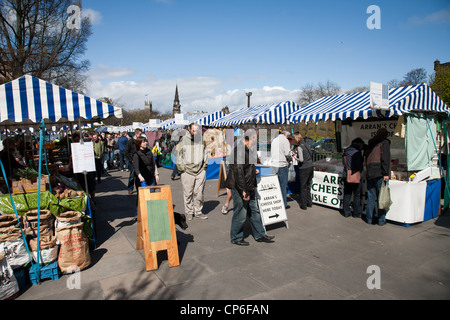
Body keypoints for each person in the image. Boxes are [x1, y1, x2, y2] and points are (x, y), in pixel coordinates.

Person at [226, 129, 275, 246]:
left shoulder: (247, 149)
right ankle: (236, 237)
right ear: (251, 138)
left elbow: (245, 167)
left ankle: (260, 234)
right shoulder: (240, 150)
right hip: (240, 187)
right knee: (241, 213)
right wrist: (243, 191)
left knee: (254, 210)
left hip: (249, 185)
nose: (256, 141)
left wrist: (253, 171)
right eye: (255, 138)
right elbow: (238, 172)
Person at [176, 123, 208, 221]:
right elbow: (179, 155)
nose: (195, 132)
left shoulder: (201, 139)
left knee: (199, 193)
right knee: (188, 193)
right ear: (189, 129)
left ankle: (198, 211)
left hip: (200, 171)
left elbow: (205, 153)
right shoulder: (184, 140)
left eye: (197, 130)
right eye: (193, 130)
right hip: (187, 171)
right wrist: (182, 169)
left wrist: (204, 167)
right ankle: (189, 212)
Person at [365, 128, 391, 226]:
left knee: (371, 197)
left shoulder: (371, 143)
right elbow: (385, 158)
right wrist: (386, 173)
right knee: (382, 197)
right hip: (379, 172)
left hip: (370, 172)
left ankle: (369, 218)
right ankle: (381, 220)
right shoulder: (384, 143)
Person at [342, 138, 365, 218]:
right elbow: (358, 166)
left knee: (347, 194)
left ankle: (346, 212)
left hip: (346, 175)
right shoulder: (357, 153)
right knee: (357, 195)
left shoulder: (345, 152)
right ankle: (356, 213)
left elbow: (344, 164)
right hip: (355, 176)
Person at [271, 130, 292, 209]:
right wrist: (291, 158)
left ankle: (275, 202)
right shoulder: (285, 140)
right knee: (283, 186)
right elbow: (287, 153)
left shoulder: (274, 140)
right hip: (282, 165)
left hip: (274, 164)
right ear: (286, 135)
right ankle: (284, 204)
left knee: (275, 186)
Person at [293, 132, 314, 210]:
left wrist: (295, 157)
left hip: (304, 168)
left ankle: (304, 205)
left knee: (303, 186)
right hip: (310, 166)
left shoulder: (299, 147)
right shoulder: (306, 144)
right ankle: (309, 202)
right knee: (308, 185)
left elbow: (301, 160)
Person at [125, 128, 143, 194]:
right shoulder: (130, 141)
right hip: (133, 160)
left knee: (140, 174)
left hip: (140, 160)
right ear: (136, 134)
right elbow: (126, 152)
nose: (141, 135)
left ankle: (139, 187)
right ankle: (130, 188)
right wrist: (131, 159)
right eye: (140, 134)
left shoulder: (140, 141)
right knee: (132, 175)